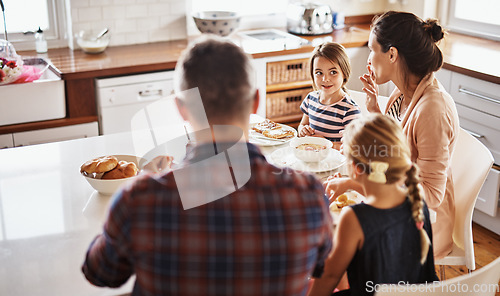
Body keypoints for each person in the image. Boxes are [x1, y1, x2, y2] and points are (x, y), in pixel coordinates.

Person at [81, 35, 334, 296]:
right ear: (256, 102)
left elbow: (100, 272)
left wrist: (143, 188)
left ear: (181, 109)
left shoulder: (139, 200)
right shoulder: (308, 195)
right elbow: (319, 265)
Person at [327, 11, 459, 259]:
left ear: (392, 54)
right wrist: (376, 110)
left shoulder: (433, 109)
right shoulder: (402, 94)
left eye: (371, 49)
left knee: (341, 240)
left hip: (422, 227)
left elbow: (430, 196)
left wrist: (358, 184)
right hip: (399, 210)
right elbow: (398, 150)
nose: (368, 59)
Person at [309, 114, 439, 296]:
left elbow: (329, 275)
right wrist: (349, 183)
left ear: (355, 167)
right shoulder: (417, 200)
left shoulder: (354, 218)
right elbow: (382, 191)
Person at [298, 42, 361, 149]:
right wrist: (302, 131)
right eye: (319, 73)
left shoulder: (350, 110)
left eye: (333, 72)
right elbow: (302, 125)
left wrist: (325, 144)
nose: (325, 79)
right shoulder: (310, 99)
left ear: (344, 73)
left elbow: (353, 146)